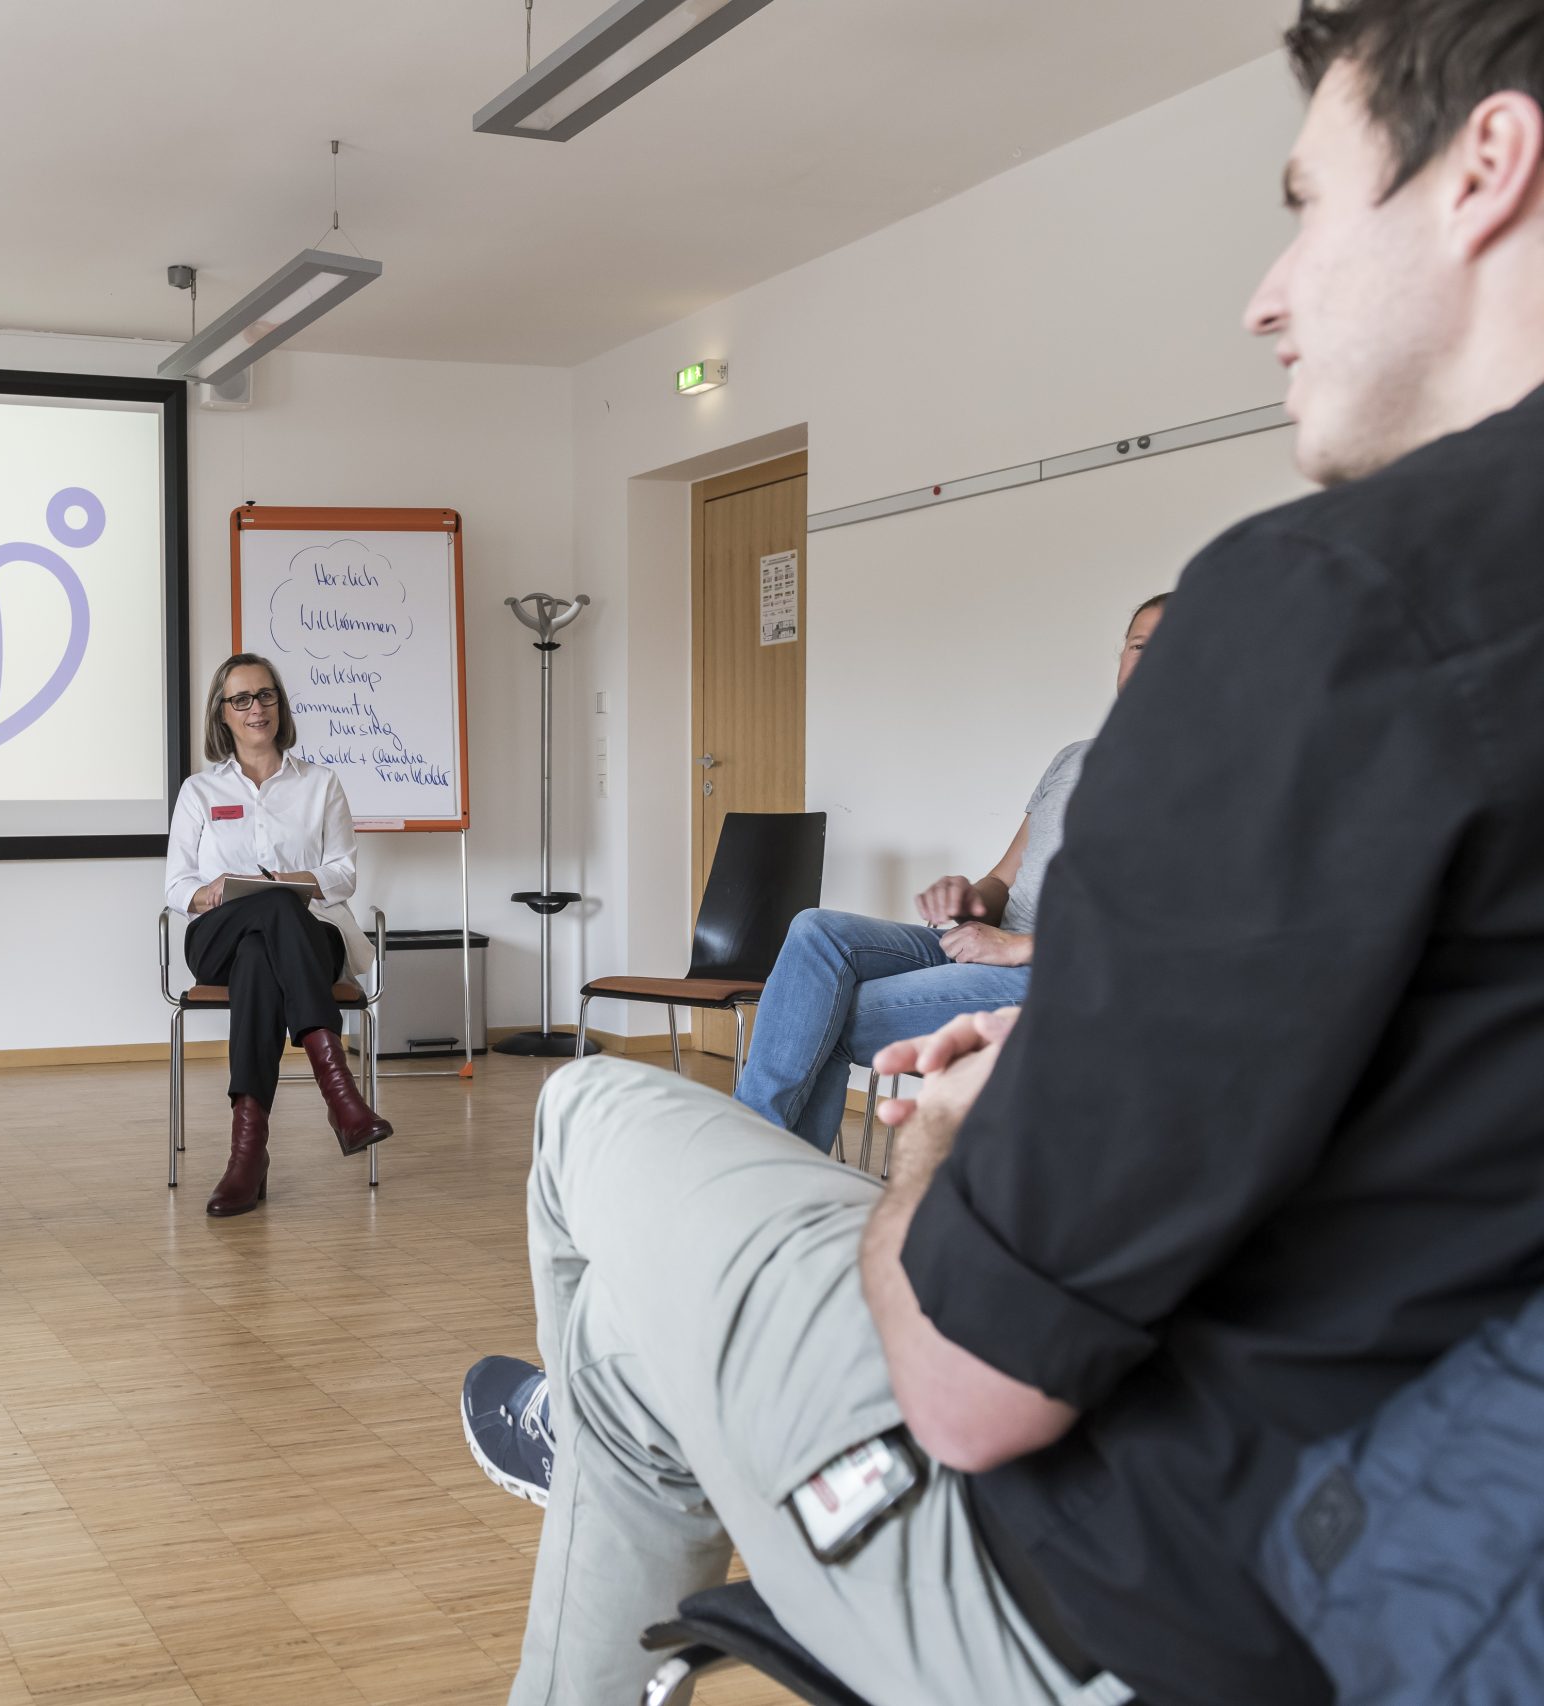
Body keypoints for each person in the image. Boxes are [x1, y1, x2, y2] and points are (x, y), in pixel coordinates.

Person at [463, 4, 1544, 1703]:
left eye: (1309, 206)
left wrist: (934, 1160)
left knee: (591, 1115)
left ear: (1489, 166)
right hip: (1460, 1569)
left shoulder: (1329, 604)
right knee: (640, 1340)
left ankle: (619, 1402)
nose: (1270, 295)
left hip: (1149, 1600)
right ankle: (631, 1398)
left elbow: (974, 1387)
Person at [733, 595, 1165, 1150]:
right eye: (1137, 644)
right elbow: (1005, 877)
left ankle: (754, 1162)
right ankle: (759, 1161)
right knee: (817, 932)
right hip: (987, 946)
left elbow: (1174, 920)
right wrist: (971, 898)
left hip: (1063, 973)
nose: (1149, 657)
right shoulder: (1074, 759)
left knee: (825, 1015)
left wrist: (1019, 947)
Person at [165, 653, 393, 1216]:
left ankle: (248, 1155)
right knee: (259, 921)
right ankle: (341, 1097)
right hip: (215, 935)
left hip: (312, 936)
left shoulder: (321, 784)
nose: (255, 708)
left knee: (260, 952)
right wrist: (218, 890)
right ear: (222, 714)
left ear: (280, 704)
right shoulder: (198, 791)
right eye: (240, 699)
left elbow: (343, 873)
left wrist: (291, 883)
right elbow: (175, 886)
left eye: (265, 695)